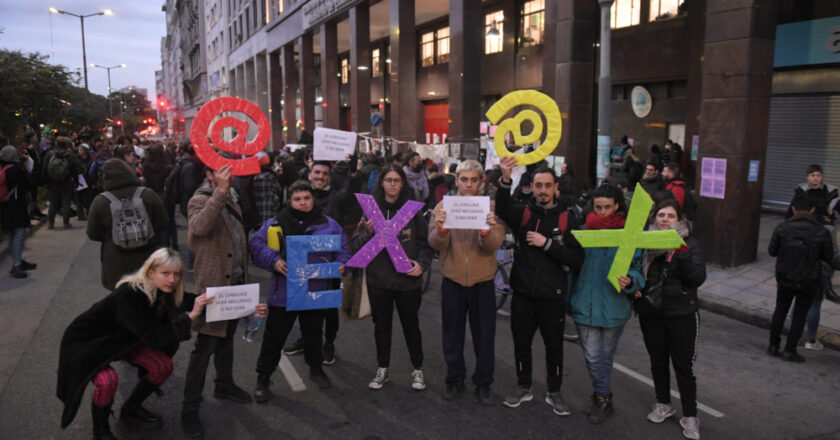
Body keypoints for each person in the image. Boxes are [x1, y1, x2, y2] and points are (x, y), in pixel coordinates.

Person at [56, 248, 211, 440]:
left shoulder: (164, 290)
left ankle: (131, 407)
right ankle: (101, 431)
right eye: (166, 273)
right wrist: (190, 317)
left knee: (162, 366)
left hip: (121, 341)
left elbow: (192, 301)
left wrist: (245, 304)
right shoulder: (130, 295)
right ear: (150, 272)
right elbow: (156, 338)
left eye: (177, 274)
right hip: (89, 343)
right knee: (108, 381)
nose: (172, 280)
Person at [495, 155, 584, 416]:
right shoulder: (523, 213)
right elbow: (501, 209)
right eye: (538, 185)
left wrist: (547, 245)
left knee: (554, 346)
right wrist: (505, 178)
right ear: (532, 187)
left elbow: (577, 259)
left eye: (547, 185)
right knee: (521, 343)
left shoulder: (569, 219)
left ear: (556, 187)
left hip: (552, 296)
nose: (543, 190)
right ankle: (524, 386)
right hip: (523, 293)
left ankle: (554, 391)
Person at [181, 165, 265, 438]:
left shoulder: (231, 197)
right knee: (204, 347)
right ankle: (189, 409)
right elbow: (199, 228)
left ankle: (224, 384)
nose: (228, 174)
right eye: (220, 170)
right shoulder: (201, 198)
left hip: (235, 283)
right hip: (215, 285)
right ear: (208, 173)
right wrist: (220, 191)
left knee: (227, 337)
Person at [250, 180, 351, 402]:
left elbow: (344, 249)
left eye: (306, 198)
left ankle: (316, 369)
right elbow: (256, 245)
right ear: (290, 200)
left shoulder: (329, 225)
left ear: (313, 199)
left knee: (314, 335)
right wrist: (274, 261)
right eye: (297, 199)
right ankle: (263, 378)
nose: (302, 203)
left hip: (315, 292)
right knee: (273, 339)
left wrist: (343, 264)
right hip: (283, 294)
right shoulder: (275, 224)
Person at [429, 160, 505, 404]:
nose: (468, 184)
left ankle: (483, 383)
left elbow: (495, 246)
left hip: (483, 281)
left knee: (484, 336)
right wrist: (441, 230)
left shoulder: (491, 208)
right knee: (452, 334)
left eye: (474, 180)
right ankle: (454, 379)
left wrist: (486, 232)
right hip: (452, 280)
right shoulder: (443, 206)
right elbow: (434, 244)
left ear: (481, 181)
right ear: (457, 180)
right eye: (464, 179)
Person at [352, 164, 433, 391]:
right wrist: (367, 232)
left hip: (407, 281)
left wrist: (422, 265)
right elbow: (356, 246)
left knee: (411, 326)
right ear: (382, 183)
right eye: (389, 180)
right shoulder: (370, 210)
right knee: (382, 327)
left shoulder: (412, 211)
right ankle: (382, 368)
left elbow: (425, 245)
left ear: (403, 183)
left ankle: (418, 369)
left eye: (397, 180)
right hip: (379, 281)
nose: (393, 184)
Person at [569, 184, 644, 424]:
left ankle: (601, 397)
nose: (602, 212)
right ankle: (603, 396)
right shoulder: (581, 232)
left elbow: (638, 270)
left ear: (617, 206)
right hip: (584, 304)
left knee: (604, 357)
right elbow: (571, 266)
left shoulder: (629, 235)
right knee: (593, 356)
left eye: (607, 207)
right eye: (598, 207)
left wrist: (631, 280)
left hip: (614, 306)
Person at [637, 199, 706, 440]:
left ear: (680, 220)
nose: (665, 219)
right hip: (652, 314)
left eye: (671, 216)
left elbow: (697, 278)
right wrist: (633, 289)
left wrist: (680, 253)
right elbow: (636, 273)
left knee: (683, 367)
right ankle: (663, 403)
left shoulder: (689, 243)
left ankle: (690, 415)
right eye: (661, 215)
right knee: (658, 362)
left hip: (682, 314)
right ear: (654, 218)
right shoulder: (644, 242)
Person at [767, 194, 838, 363]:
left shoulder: (782, 228)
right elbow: (829, 257)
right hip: (808, 279)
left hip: (784, 276)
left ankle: (773, 346)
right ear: (813, 210)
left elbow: (772, 251)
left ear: (794, 209)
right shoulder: (821, 231)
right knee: (799, 314)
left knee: (780, 310)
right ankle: (790, 350)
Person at [86, 159, 169, 291]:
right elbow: (163, 223)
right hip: (147, 256)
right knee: (149, 297)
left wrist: (112, 235)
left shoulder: (100, 201)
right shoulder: (147, 194)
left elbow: (92, 233)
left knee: (120, 300)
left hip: (115, 260)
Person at [0, 146, 36, 278]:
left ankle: (17, 260)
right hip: (17, 206)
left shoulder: (2, 170)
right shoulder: (17, 170)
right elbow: (30, 183)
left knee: (11, 235)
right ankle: (17, 264)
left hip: (5, 206)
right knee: (20, 234)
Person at [42, 136, 81, 229]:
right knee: (66, 202)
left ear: (56, 144)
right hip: (66, 181)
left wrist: (45, 182)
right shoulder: (70, 155)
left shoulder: (50, 154)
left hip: (52, 182)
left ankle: (51, 223)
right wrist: (76, 182)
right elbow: (75, 170)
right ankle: (66, 222)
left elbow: (44, 169)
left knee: (53, 203)